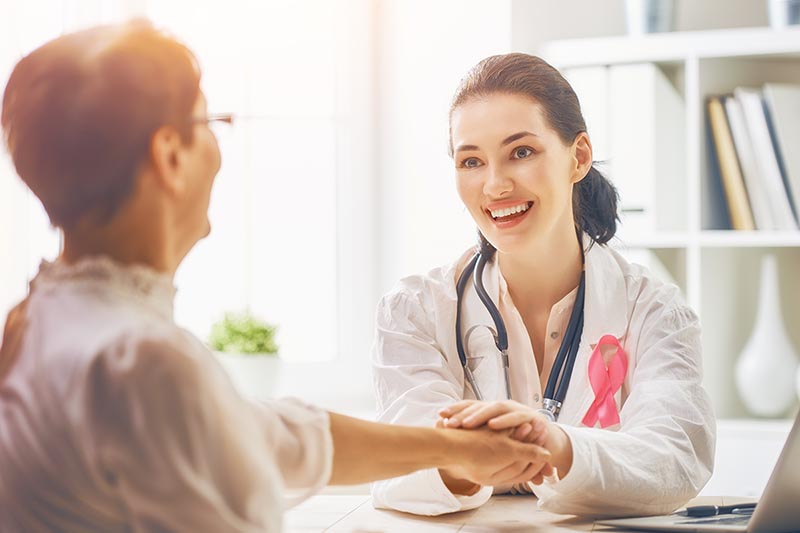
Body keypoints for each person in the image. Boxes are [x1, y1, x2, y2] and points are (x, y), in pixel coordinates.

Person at [0, 23, 553, 532]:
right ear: (170, 155)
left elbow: (265, 434)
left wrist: (453, 448)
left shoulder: (39, 320)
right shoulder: (144, 362)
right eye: (210, 123)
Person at [371, 52, 716, 517]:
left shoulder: (654, 311)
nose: (495, 186)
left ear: (579, 157)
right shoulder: (414, 310)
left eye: (521, 152)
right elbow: (397, 461)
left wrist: (556, 446)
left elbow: (675, 458)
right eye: (470, 161)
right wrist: (466, 459)